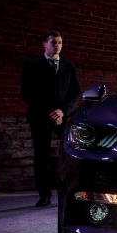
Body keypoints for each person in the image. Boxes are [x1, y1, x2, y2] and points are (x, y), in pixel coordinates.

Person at [21, 31, 81, 207]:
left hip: (63, 117)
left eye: (60, 42)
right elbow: (27, 92)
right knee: (41, 157)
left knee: (72, 154)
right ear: (44, 44)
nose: (57, 45)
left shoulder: (69, 66)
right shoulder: (32, 64)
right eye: (54, 42)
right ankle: (44, 195)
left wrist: (62, 111)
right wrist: (50, 112)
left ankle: (72, 191)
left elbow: (75, 91)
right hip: (40, 117)